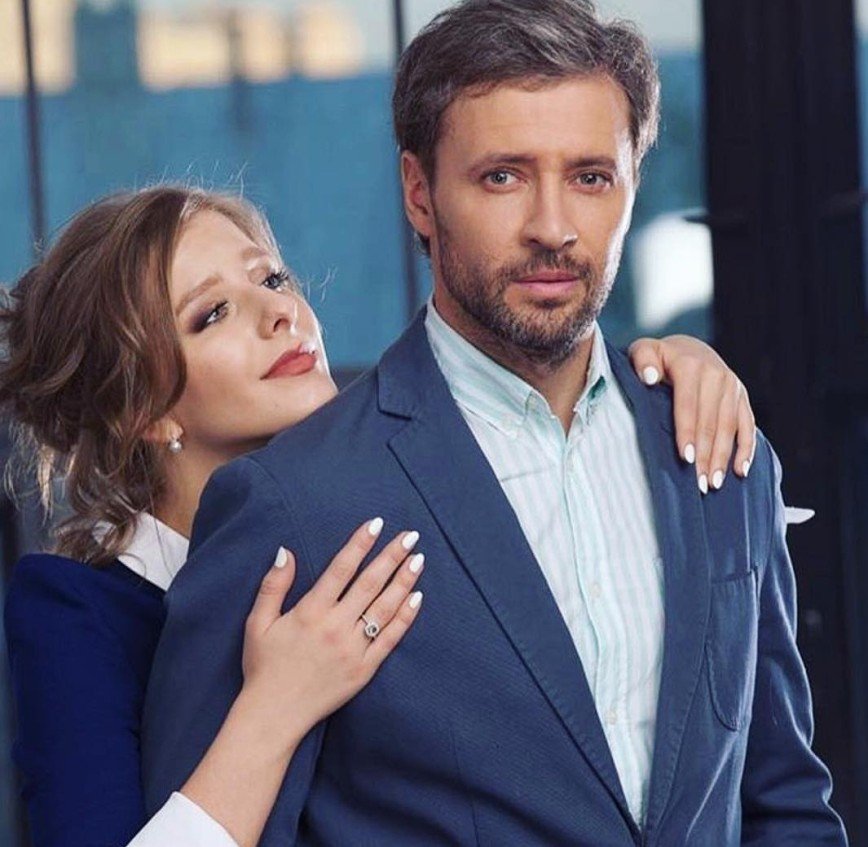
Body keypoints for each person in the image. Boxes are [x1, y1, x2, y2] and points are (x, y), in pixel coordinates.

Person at [142, 0, 847, 844]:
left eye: (591, 177)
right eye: (503, 176)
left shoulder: (719, 448)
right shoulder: (294, 502)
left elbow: (784, 800)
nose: (553, 228)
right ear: (420, 193)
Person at [0, 184, 747, 847]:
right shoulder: (75, 610)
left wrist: (657, 378)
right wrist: (276, 704)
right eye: (213, 312)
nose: (280, 313)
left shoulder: (386, 507)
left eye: (272, 277)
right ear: (143, 409)